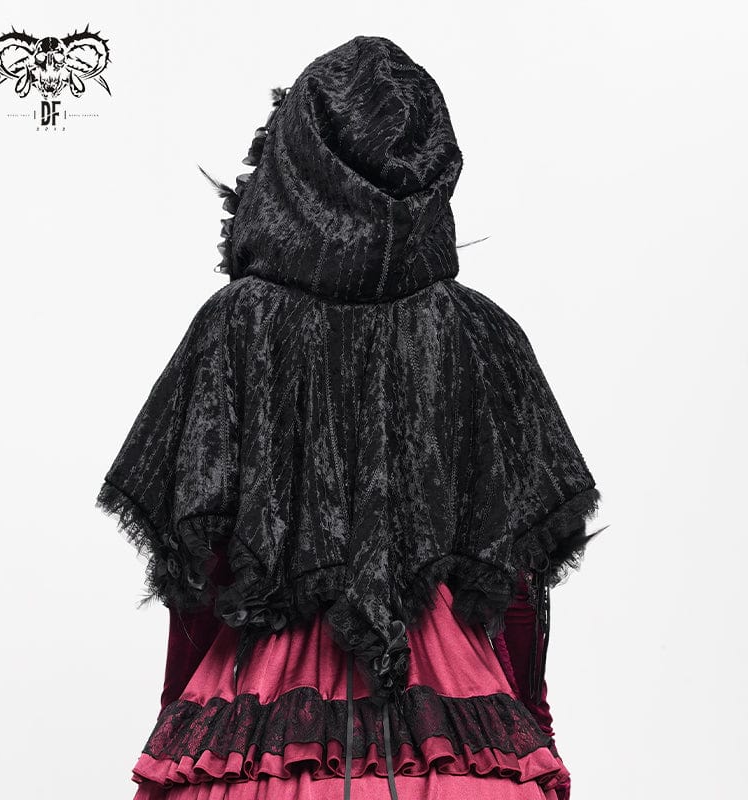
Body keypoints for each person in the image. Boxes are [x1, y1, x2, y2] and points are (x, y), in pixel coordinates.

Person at [96, 35, 606, 800]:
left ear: (292, 159)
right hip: (462, 751)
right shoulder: (483, 334)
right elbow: (515, 588)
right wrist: (531, 729)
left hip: (258, 746)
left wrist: (181, 729)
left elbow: (198, 570)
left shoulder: (235, 327)